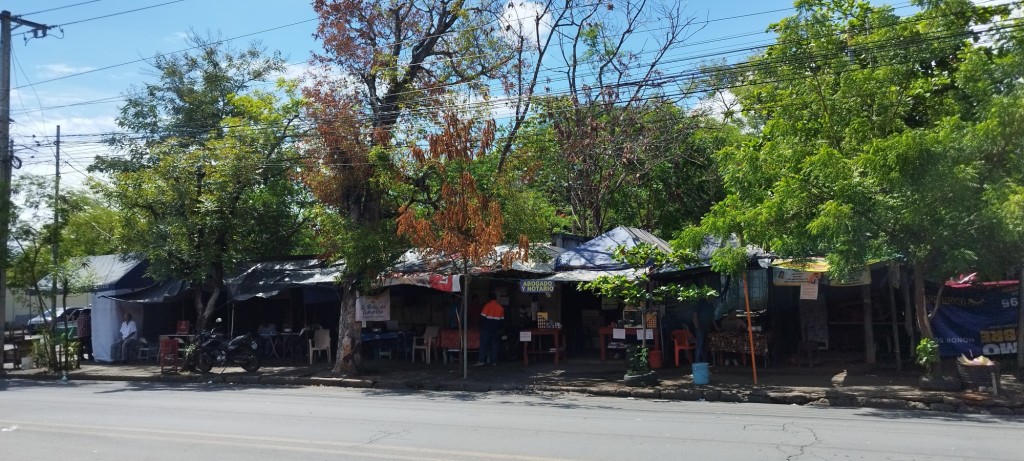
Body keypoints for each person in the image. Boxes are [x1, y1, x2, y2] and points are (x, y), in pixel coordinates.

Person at [475, 293, 504, 366]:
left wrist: (478, 325)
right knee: (494, 346)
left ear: (489, 299)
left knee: (483, 345)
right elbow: (502, 321)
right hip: (495, 330)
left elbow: (482, 318)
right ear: (496, 299)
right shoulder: (500, 307)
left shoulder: (487, 306)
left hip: (486, 329)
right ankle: (494, 362)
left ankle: (481, 360)